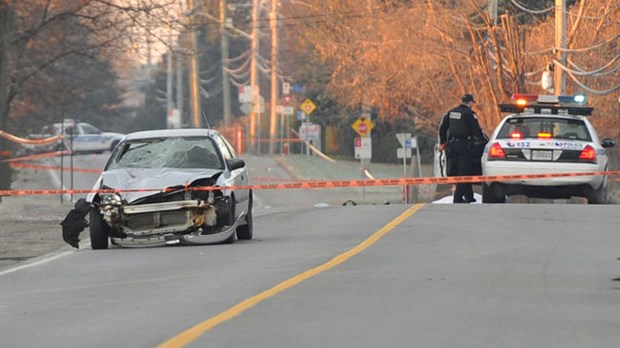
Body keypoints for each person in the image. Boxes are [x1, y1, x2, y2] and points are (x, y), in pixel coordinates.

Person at [438, 93, 485, 203]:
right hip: (465, 146)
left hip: (452, 146)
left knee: (460, 171)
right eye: (472, 103)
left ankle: (469, 196)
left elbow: (442, 129)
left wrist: (443, 143)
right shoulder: (469, 113)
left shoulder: (451, 112)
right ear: (470, 103)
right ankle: (458, 198)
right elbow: (476, 130)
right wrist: (481, 141)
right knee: (465, 172)